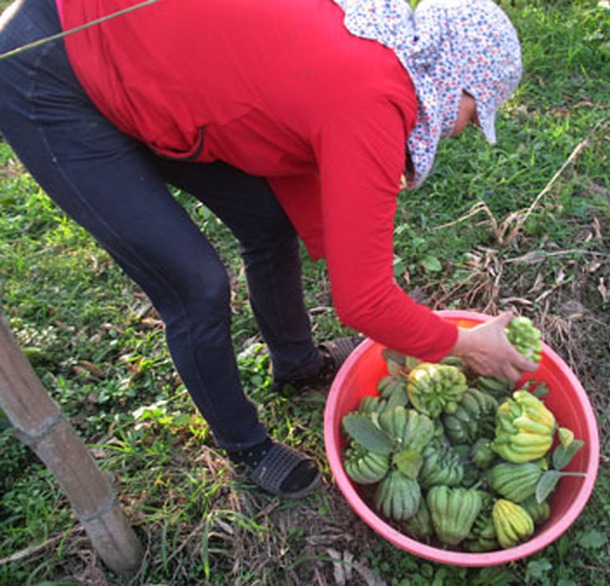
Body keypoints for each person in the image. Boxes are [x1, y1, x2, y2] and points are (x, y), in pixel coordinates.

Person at [0, 0, 535, 499]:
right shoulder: (372, 97)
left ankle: (297, 364)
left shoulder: (378, 37)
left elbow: (300, 149)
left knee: (270, 217)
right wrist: (463, 345)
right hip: (56, 71)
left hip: (145, 63)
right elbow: (363, 302)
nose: (467, 128)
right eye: (477, 108)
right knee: (196, 286)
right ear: (454, 75)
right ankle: (244, 444)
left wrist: (361, 258)